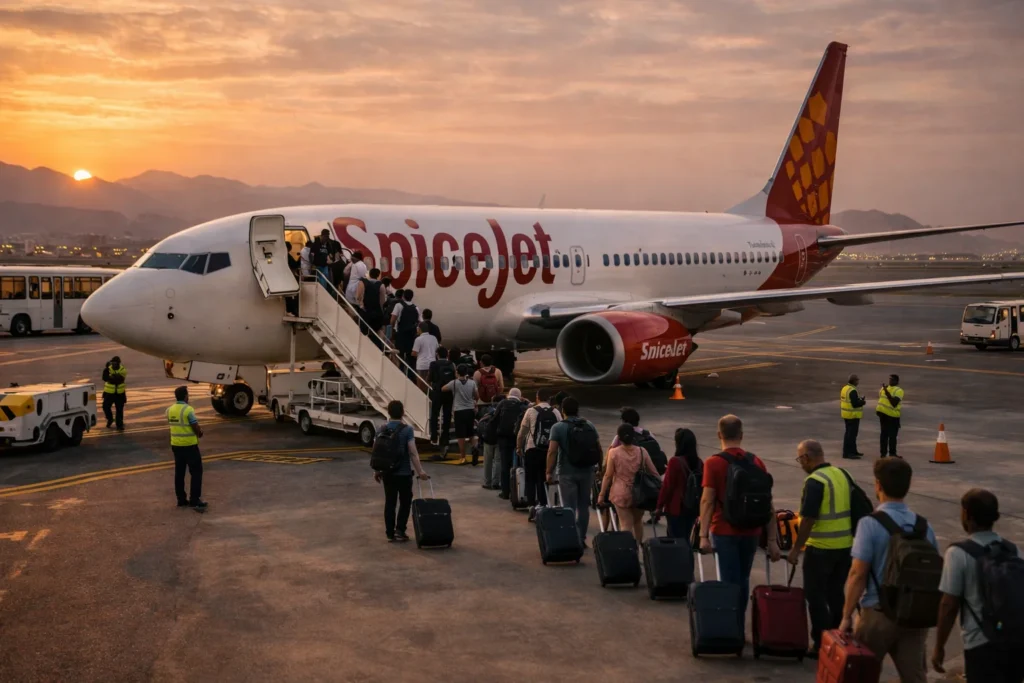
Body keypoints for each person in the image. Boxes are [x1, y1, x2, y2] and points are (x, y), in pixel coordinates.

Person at [839, 457, 937, 683]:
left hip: (877, 613)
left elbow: (858, 574)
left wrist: (846, 616)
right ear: (908, 486)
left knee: (862, 675)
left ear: (878, 486)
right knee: (915, 677)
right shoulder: (923, 526)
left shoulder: (870, 524)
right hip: (913, 615)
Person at [699, 415, 781, 641]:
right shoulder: (756, 462)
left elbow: (707, 500)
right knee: (743, 579)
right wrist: (772, 539)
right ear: (742, 435)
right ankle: (740, 625)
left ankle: (731, 628)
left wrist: (702, 535)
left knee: (728, 580)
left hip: (724, 530)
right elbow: (768, 504)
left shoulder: (713, 463)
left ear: (719, 435)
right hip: (752, 531)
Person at [933, 489, 1023, 682]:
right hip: (1014, 641)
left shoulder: (958, 553)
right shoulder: (1013, 549)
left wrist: (939, 647)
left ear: (967, 515)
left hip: (980, 644)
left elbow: (948, 605)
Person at [788, 439, 853, 658]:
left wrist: (796, 549)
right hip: (844, 547)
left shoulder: (815, 481)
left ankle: (820, 644)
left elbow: (808, 519)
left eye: (800, 459)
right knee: (836, 595)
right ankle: (840, 638)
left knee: (815, 597)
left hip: (821, 549)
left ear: (806, 457)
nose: (800, 464)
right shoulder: (842, 474)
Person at [545, 397, 602, 547]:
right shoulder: (589, 425)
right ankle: (581, 538)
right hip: (587, 471)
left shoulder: (558, 427)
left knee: (569, 507)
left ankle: (570, 539)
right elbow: (598, 448)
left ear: (563, 410)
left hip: (566, 472)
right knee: (584, 507)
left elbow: (552, 451)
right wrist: (600, 468)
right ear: (578, 410)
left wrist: (549, 472)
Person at [373, 400, 430, 542]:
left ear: (388, 412)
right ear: (403, 412)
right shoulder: (407, 430)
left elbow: (377, 452)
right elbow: (412, 452)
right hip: (404, 473)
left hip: (388, 474)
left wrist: (377, 470)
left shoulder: (381, 429)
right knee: (405, 502)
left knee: (390, 502)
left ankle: (389, 533)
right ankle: (400, 530)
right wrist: (420, 471)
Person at [599, 423, 661, 541]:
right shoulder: (642, 451)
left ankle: (628, 552)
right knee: (638, 522)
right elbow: (654, 473)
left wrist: (601, 495)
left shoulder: (614, 453)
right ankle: (637, 548)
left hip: (620, 493)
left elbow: (608, 475)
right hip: (640, 493)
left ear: (619, 438)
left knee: (625, 524)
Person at [655, 428, 703, 542]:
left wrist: (659, 506)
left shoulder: (675, 462)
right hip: (692, 507)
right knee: (687, 538)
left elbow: (667, 487)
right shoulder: (699, 463)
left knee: (675, 541)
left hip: (676, 508)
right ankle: (687, 559)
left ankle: (680, 559)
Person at [515, 387, 561, 504]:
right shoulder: (555, 412)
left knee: (531, 478)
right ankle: (543, 504)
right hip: (549, 450)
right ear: (549, 399)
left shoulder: (531, 411)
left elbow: (522, 432)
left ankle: (531, 505)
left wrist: (519, 447)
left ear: (537, 398)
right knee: (544, 477)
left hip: (532, 449)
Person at [167, 386, 206, 510]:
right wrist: (200, 432)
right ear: (185, 396)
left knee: (179, 473)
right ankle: (194, 499)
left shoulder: (169, 410)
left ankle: (181, 499)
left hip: (176, 445)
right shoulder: (188, 410)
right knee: (196, 472)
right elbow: (194, 425)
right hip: (189, 445)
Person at [489, 388, 529, 491]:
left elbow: (495, 419)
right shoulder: (522, 406)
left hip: (503, 438)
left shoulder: (502, 403)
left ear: (508, 395)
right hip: (516, 438)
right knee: (519, 464)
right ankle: (517, 489)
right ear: (519, 397)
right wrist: (526, 401)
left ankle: (505, 491)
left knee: (504, 464)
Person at [442, 364, 478, 465]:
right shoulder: (472, 383)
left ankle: (463, 457)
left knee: (460, 436)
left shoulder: (454, 383)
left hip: (459, 411)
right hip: (470, 410)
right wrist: (474, 404)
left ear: (457, 372)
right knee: (471, 433)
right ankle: (475, 447)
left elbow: (443, 389)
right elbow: (476, 396)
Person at [426, 347, 456, 450]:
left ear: (437, 354)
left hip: (437, 392)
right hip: (448, 392)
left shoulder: (433, 364)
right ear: (447, 354)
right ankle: (445, 437)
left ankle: (434, 436)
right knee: (447, 415)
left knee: (434, 414)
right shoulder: (451, 364)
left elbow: (429, 378)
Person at [478, 392, 505, 489]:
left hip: (488, 438)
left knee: (487, 461)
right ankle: (496, 482)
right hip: (499, 438)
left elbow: (481, 422)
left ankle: (487, 482)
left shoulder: (488, 410)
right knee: (498, 461)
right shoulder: (504, 410)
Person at [355, 268, 387, 342]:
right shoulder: (381, 285)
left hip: (366, 311)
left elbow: (358, 297)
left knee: (364, 331)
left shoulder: (364, 283)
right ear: (378, 275)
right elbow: (382, 301)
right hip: (377, 313)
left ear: (369, 275)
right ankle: (378, 347)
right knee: (377, 332)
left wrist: (361, 306)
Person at [875, 374, 904, 458]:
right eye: (890, 379)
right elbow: (893, 403)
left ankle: (884, 454)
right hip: (890, 415)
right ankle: (890, 453)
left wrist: (886, 390)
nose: (890, 381)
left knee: (885, 434)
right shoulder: (896, 390)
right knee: (891, 435)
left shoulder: (887, 388)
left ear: (896, 381)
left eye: (892, 380)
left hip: (884, 414)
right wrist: (887, 392)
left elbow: (889, 401)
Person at [391, 289, 420, 370]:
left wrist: (392, 330)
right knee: (410, 357)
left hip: (401, 334)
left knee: (399, 355)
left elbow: (392, 320)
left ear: (403, 296)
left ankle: (400, 371)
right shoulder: (416, 308)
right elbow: (419, 322)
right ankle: (410, 376)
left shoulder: (399, 305)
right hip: (411, 335)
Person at [840, 374, 866, 459]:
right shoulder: (853, 390)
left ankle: (850, 451)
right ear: (854, 381)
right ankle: (850, 453)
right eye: (857, 380)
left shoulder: (845, 388)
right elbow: (855, 404)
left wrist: (859, 400)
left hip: (846, 414)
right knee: (851, 435)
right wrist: (862, 402)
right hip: (852, 415)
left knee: (848, 434)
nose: (858, 382)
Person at [101, 356, 127, 431]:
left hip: (119, 393)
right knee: (105, 407)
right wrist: (106, 369)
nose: (113, 364)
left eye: (115, 363)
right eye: (112, 363)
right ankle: (110, 418)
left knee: (119, 410)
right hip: (109, 393)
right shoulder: (108, 369)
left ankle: (119, 425)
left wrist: (111, 377)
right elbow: (104, 378)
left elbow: (118, 379)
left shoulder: (123, 370)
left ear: (118, 363)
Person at [285, 241, 301, 316]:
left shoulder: (284, 255)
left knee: (289, 295)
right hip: (289, 278)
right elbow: (294, 265)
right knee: (291, 296)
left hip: (286, 278)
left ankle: (289, 310)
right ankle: (291, 310)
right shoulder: (287, 256)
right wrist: (300, 259)